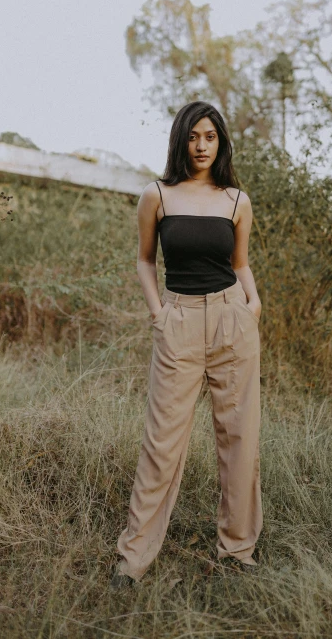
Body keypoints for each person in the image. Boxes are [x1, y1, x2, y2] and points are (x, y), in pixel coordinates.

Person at [110, 101, 263, 589]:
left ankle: (237, 551)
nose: (202, 145)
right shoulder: (157, 195)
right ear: (181, 139)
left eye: (211, 137)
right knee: (162, 444)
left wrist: (253, 303)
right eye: (194, 136)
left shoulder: (236, 200)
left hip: (230, 321)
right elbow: (143, 260)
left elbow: (240, 263)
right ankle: (133, 559)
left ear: (221, 142)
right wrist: (158, 313)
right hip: (177, 322)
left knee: (240, 440)